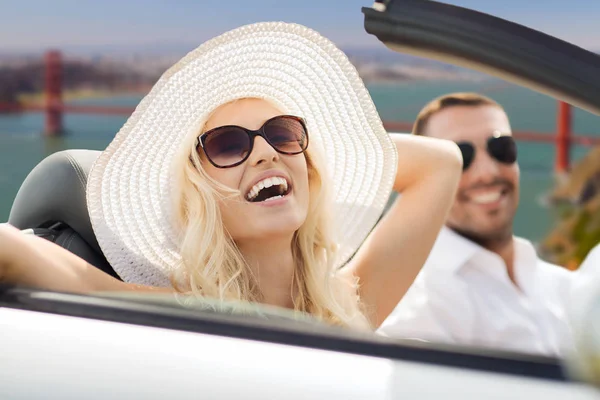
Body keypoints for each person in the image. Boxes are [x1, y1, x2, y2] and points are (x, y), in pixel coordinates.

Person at [0, 22, 462, 330]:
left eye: (282, 134)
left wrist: (319, 157)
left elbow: (443, 164)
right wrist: (296, 160)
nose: (263, 151)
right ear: (197, 192)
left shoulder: (345, 303)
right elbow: (14, 253)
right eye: (227, 145)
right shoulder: (177, 311)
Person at [379, 92, 574, 354]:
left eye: (501, 148)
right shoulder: (424, 302)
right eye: (460, 157)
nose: (488, 172)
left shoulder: (565, 285)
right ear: (427, 177)